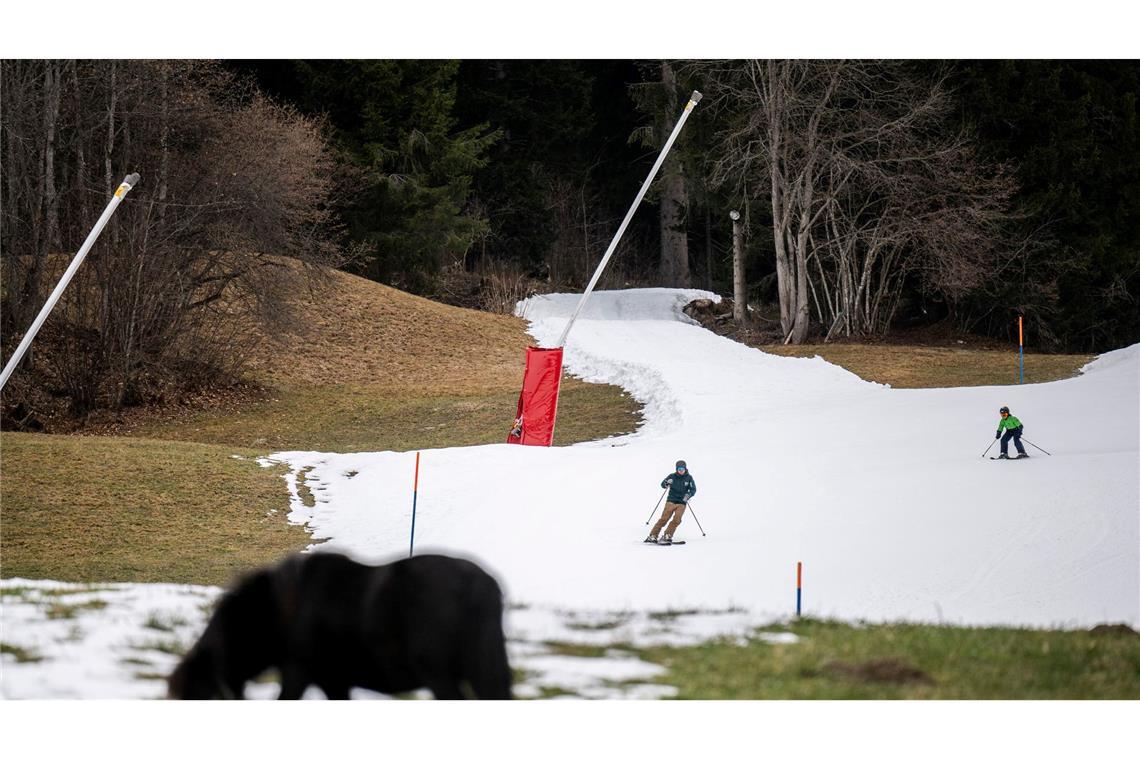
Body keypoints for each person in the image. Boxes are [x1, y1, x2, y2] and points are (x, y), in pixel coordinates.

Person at [646, 460, 696, 545]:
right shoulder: (672, 476)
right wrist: (666, 483)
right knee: (664, 519)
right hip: (671, 501)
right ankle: (653, 535)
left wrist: (688, 495)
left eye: (682, 469)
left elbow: (693, 489)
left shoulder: (689, 478)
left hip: (682, 502)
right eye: (679, 469)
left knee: (677, 520)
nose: (681, 471)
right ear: (676, 469)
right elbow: (663, 485)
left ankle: (667, 535)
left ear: (685, 469)